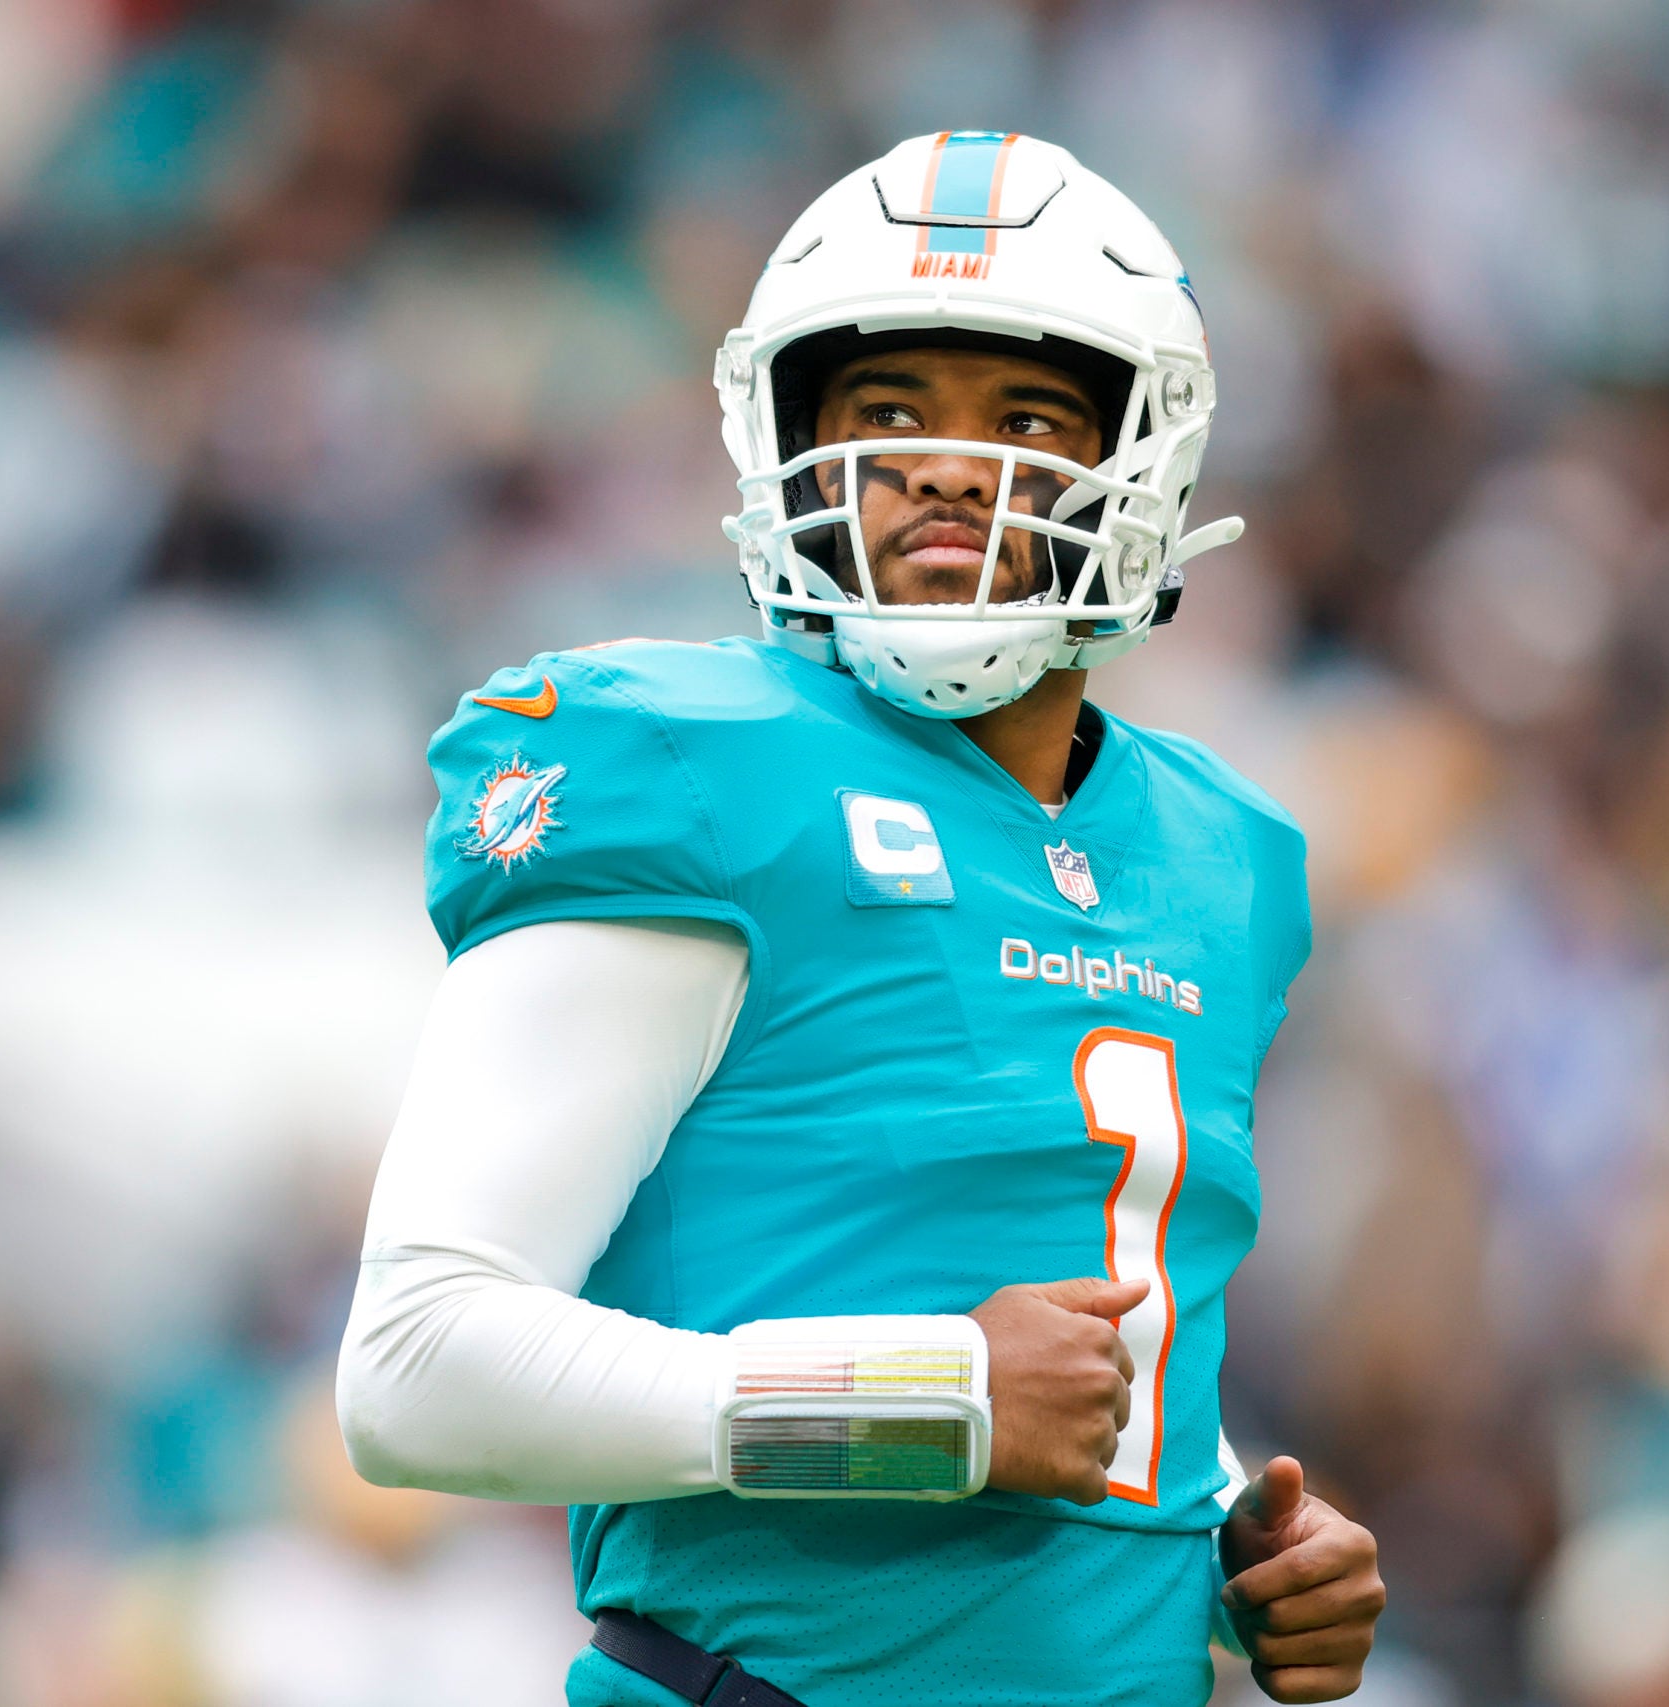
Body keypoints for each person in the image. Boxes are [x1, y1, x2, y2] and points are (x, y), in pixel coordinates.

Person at [337, 131, 1385, 1706]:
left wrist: (1232, 1547)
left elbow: (1080, 1357)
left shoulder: (1220, 851)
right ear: (789, 442)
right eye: (889, 413)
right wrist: (925, 1402)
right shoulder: (688, 765)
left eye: (1025, 419)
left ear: (1146, 458)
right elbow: (415, 1364)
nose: (949, 468)